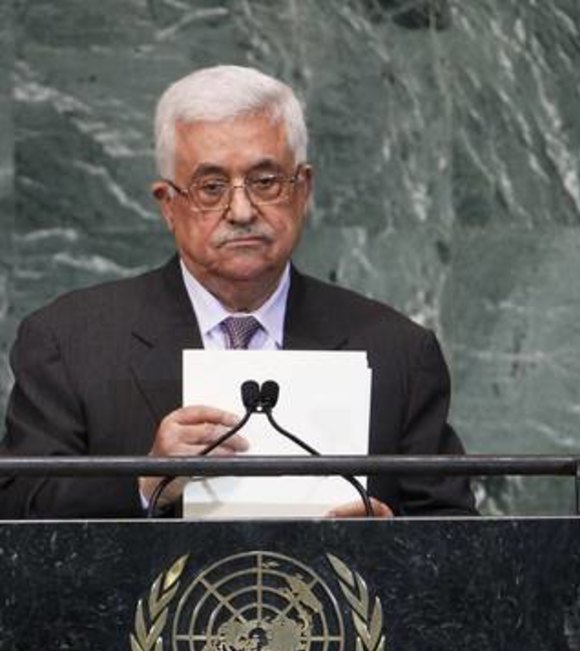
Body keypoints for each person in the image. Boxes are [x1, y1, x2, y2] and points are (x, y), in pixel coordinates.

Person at [0, 65, 475, 519]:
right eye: (210, 187)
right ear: (168, 205)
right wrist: (144, 481)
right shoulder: (70, 342)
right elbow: (19, 510)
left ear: (302, 189)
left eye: (265, 181)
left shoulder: (398, 352)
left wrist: (391, 546)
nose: (242, 209)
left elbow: (455, 538)